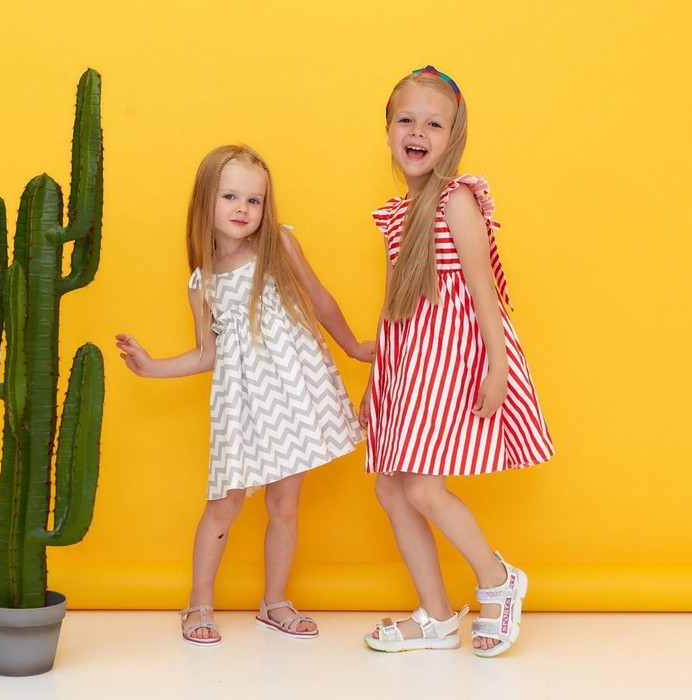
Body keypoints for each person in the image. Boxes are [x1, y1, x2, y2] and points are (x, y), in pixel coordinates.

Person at [117, 144, 373, 646]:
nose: (243, 209)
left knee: (285, 503)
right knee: (225, 503)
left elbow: (320, 299)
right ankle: (198, 602)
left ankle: (275, 601)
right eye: (230, 196)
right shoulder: (203, 281)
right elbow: (206, 353)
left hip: (293, 391)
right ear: (205, 201)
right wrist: (152, 367)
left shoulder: (278, 244)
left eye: (254, 200)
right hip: (243, 402)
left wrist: (353, 346)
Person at [359, 66, 554, 657]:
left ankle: (497, 580)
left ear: (454, 136)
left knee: (422, 486)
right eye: (406, 120)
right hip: (407, 359)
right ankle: (438, 617)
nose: (417, 132)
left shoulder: (457, 199)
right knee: (391, 487)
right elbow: (394, 302)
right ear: (388, 129)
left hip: (452, 355)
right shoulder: (397, 214)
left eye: (433, 124)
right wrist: (376, 380)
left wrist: (498, 366)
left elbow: (483, 289)